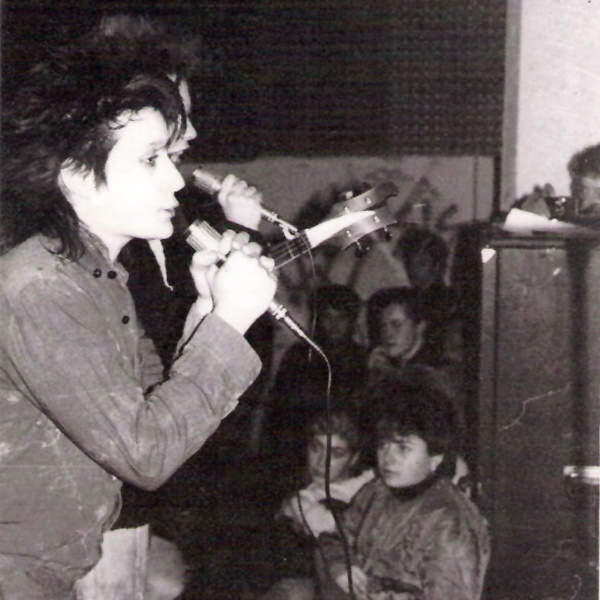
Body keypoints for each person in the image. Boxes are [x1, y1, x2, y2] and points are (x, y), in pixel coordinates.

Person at [0, 25, 277, 599]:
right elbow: (146, 453)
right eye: (152, 159)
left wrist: (208, 312)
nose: (175, 181)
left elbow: (158, 405)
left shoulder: (94, 275)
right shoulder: (42, 287)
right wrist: (229, 325)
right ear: (76, 174)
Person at [319, 383, 490, 600]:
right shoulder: (377, 491)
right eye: (383, 445)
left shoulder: (451, 521)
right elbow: (336, 536)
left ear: (435, 458)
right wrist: (342, 566)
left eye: (403, 448)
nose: (388, 458)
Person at [262, 410, 374, 600]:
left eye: (336, 454)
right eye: (316, 448)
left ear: (353, 459)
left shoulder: (359, 501)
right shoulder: (296, 492)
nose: (322, 462)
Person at [267, 284, 367, 465]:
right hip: (297, 449)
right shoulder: (299, 355)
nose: (334, 325)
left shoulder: (363, 358)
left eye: (341, 318)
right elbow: (279, 411)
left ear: (352, 321)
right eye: (328, 317)